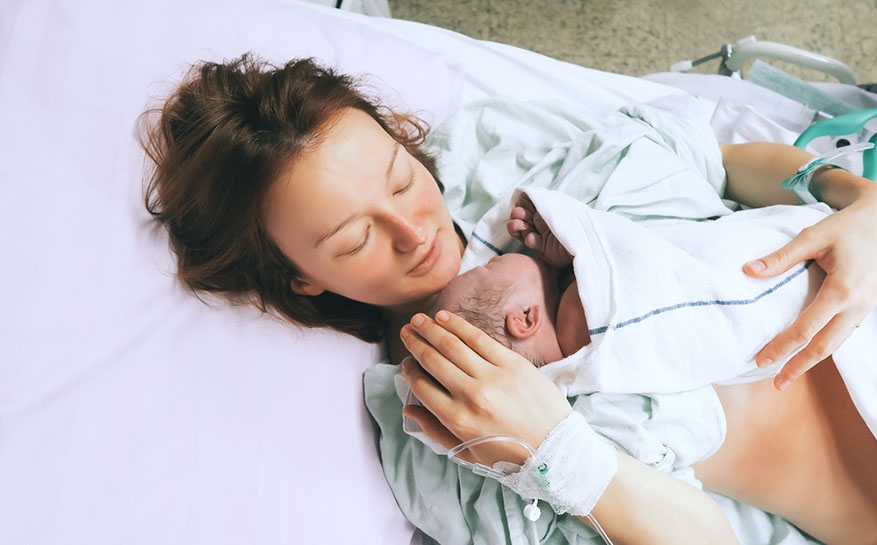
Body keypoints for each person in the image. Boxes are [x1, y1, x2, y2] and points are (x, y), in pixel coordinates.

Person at [139, 54, 877, 545]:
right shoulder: (436, 420)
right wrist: (559, 450)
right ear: (300, 276)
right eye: (353, 237)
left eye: (399, 178)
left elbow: (714, 162)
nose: (412, 228)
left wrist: (851, 201)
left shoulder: (500, 157)